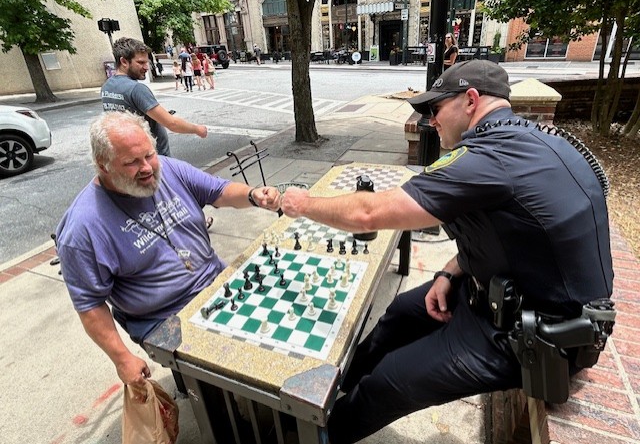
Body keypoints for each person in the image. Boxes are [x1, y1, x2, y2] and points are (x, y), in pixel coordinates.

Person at [279, 59, 614, 444]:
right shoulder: (531, 141)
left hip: (528, 337)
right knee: (402, 311)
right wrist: (450, 272)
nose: (431, 120)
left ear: (471, 100)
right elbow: (509, 236)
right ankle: (335, 389)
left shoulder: (488, 157)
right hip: (498, 295)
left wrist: (303, 204)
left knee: (390, 380)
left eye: (436, 108)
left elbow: (368, 213)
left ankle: (314, 436)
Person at [55, 111, 281, 387]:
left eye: (149, 155)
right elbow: (89, 304)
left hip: (216, 281)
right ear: (103, 166)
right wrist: (122, 359)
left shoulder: (169, 169)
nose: (147, 168)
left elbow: (219, 191)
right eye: (131, 162)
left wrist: (252, 195)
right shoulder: (82, 228)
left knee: (278, 325)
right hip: (163, 317)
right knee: (245, 366)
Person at [101, 37, 206, 157]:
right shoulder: (136, 89)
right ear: (124, 62)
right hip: (153, 158)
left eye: (147, 62)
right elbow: (172, 123)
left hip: (130, 156)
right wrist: (197, 129)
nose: (146, 67)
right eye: (141, 62)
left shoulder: (107, 86)